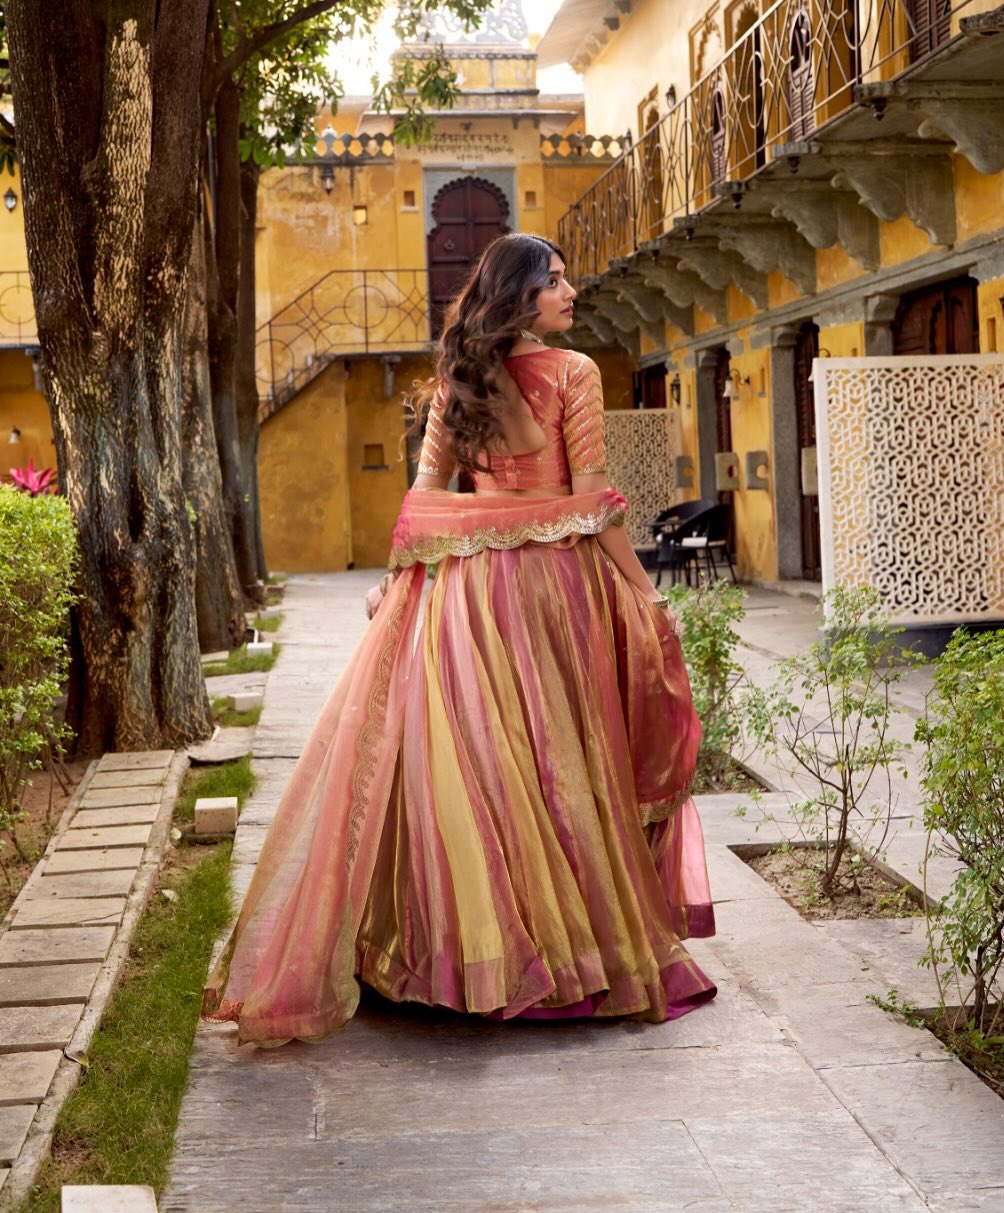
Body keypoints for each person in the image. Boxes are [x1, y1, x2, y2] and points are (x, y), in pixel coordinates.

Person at [203, 233, 716, 1046]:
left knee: (474, 770)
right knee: (555, 763)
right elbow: (592, 501)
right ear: (519, 297)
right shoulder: (572, 374)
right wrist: (644, 591)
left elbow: (424, 495)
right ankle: (565, 955)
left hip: (466, 596)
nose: (571, 290)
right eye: (554, 282)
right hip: (553, 591)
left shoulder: (458, 382)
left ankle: (460, 958)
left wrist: (401, 573)